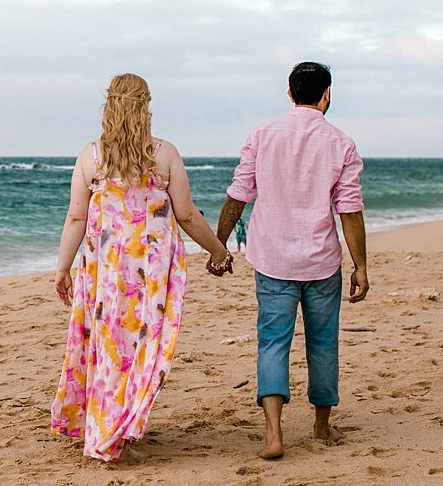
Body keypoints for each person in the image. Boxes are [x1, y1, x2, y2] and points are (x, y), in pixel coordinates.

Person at [50, 72, 234, 462]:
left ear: (108, 106)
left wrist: (62, 268)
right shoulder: (164, 154)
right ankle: (114, 430)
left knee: (107, 345)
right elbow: (186, 213)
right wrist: (218, 251)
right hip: (150, 273)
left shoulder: (91, 156)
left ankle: (116, 422)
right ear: (146, 107)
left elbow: (76, 219)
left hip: (105, 272)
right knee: (143, 347)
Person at [217, 61, 368, 460]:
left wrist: (219, 246)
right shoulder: (342, 143)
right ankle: (321, 427)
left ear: (289, 93)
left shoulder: (262, 135)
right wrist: (361, 266)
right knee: (323, 344)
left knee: (272, 343)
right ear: (327, 94)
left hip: (272, 261)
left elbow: (238, 195)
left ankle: (273, 435)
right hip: (321, 262)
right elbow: (349, 210)